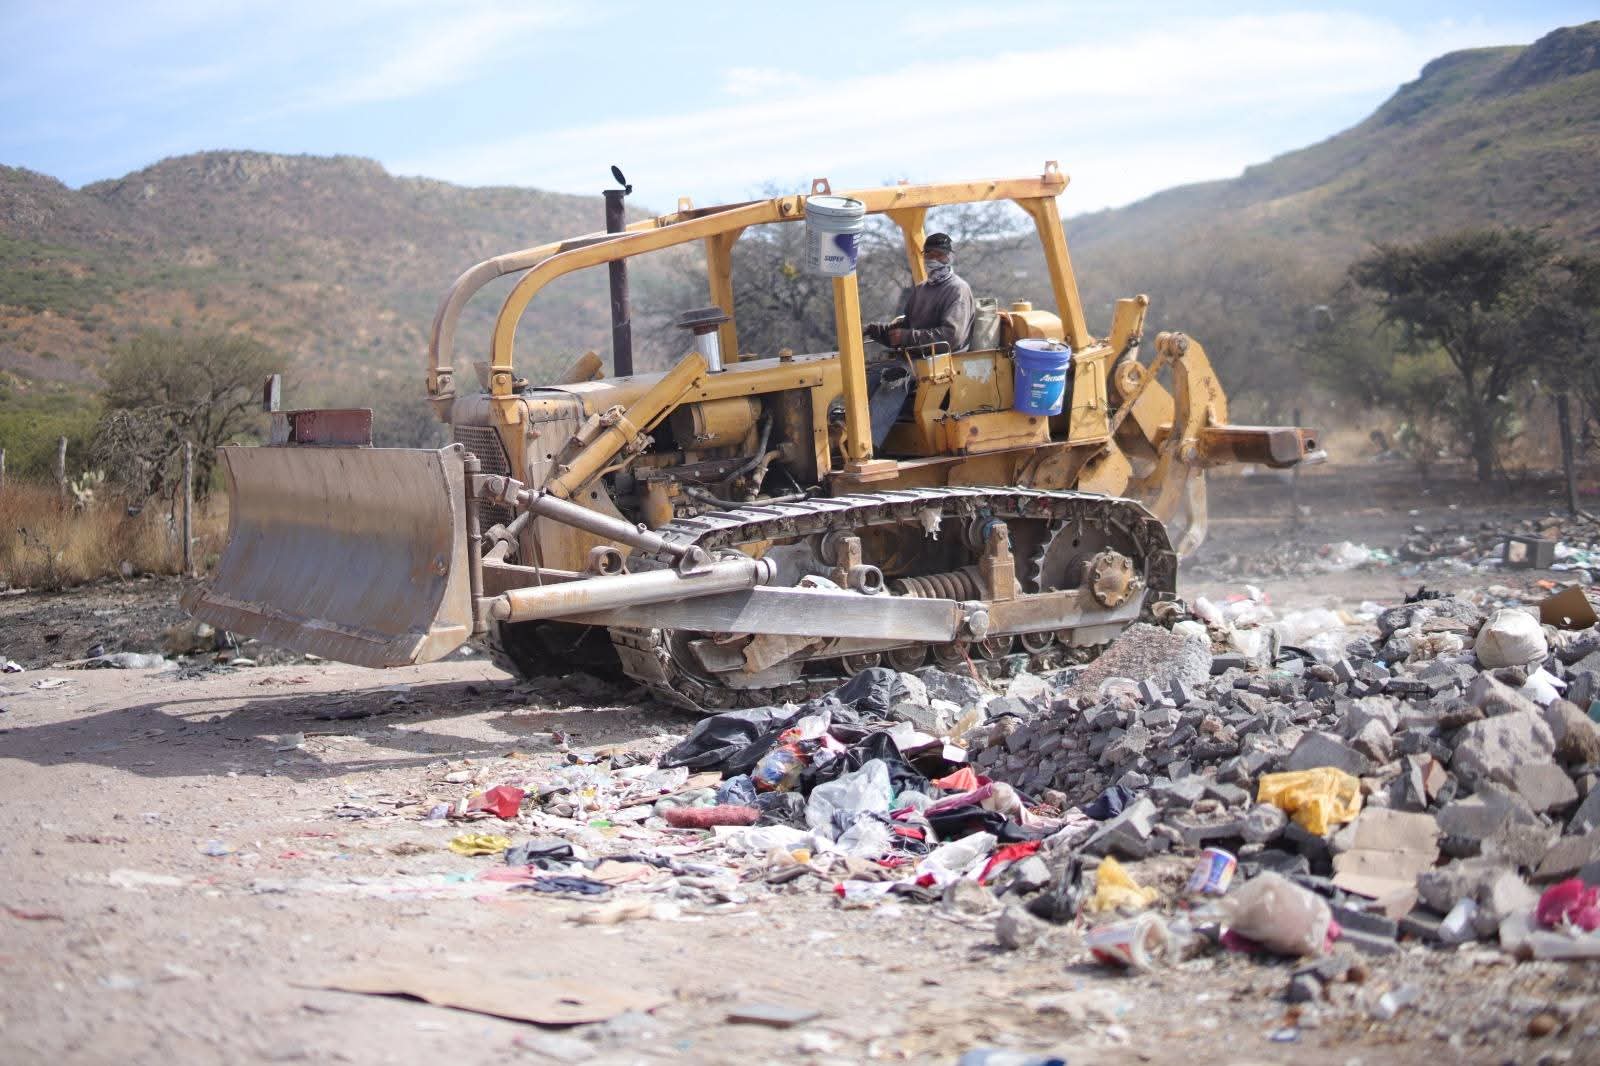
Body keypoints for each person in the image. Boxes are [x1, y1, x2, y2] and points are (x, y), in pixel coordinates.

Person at [864, 232, 975, 353]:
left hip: (946, 363)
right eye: (929, 255)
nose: (933, 260)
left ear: (950, 257)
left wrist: (906, 337)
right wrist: (871, 329)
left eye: (939, 255)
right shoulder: (921, 289)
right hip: (917, 359)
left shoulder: (957, 289)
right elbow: (906, 327)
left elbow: (952, 336)